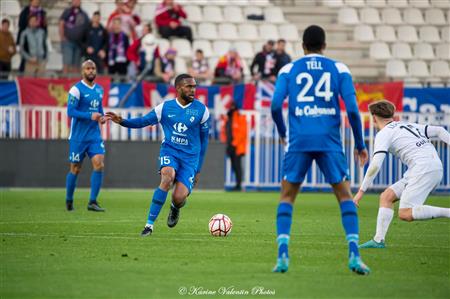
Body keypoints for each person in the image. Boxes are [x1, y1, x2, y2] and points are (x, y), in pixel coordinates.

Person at [270, 25, 370, 275]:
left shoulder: (289, 69)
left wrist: (284, 134)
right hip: (329, 141)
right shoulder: (339, 68)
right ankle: (354, 255)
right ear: (324, 46)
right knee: (345, 197)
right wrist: (360, 144)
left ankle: (283, 256)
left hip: (299, 141)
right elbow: (354, 111)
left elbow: (274, 106)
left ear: (303, 46)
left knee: (287, 197)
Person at [105, 74, 210, 236]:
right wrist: (123, 121)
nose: (193, 90)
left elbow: (204, 142)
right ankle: (149, 226)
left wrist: (199, 170)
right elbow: (143, 121)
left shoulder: (202, 110)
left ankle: (175, 207)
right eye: (189, 87)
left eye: (194, 87)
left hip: (190, 159)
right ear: (179, 88)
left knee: (178, 197)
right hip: (170, 151)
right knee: (167, 177)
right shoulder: (165, 108)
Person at [353, 100, 450, 248]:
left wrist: (361, 191)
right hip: (428, 167)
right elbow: (439, 131)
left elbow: (375, 165)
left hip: (423, 169)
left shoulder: (384, 133)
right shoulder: (406, 124)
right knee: (387, 196)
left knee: (405, 213)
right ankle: (378, 241)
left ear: (374, 117)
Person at [65, 60, 107, 212]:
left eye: (93, 68)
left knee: (99, 163)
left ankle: (92, 202)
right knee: (75, 169)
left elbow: (99, 109)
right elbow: (71, 112)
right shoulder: (76, 90)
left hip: (94, 136)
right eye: (88, 68)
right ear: (83, 71)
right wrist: (90, 115)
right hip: (78, 137)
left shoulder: (99, 90)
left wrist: (101, 118)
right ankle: (69, 201)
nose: (91, 71)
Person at [220, 102, 247, 191]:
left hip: (237, 147)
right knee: (234, 166)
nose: (232, 108)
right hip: (230, 145)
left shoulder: (240, 117)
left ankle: (239, 184)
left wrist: (234, 144)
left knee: (237, 165)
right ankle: (237, 184)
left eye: (233, 106)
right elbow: (225, 131)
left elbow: (242, 133)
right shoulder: (228, 118)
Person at [59, 0, 90, 74]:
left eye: (78, 0)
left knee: (76, 65)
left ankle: (74, 83)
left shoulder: (84, 14)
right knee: (67, 62)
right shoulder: (67, 12)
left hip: (79, 43)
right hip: (68, 41)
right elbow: (61, 23)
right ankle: (65, 82)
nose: (76, 2)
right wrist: (62, 37)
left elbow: (88, 28)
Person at [16, 0, 47, 73]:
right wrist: (29, 58)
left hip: (40, 57)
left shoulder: (42, 12)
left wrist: (45, 57)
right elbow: (22, 48)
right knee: (26, 71)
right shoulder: (25, 11)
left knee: (40, 79)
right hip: (29, 55)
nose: (36, 2)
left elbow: (45, 45)